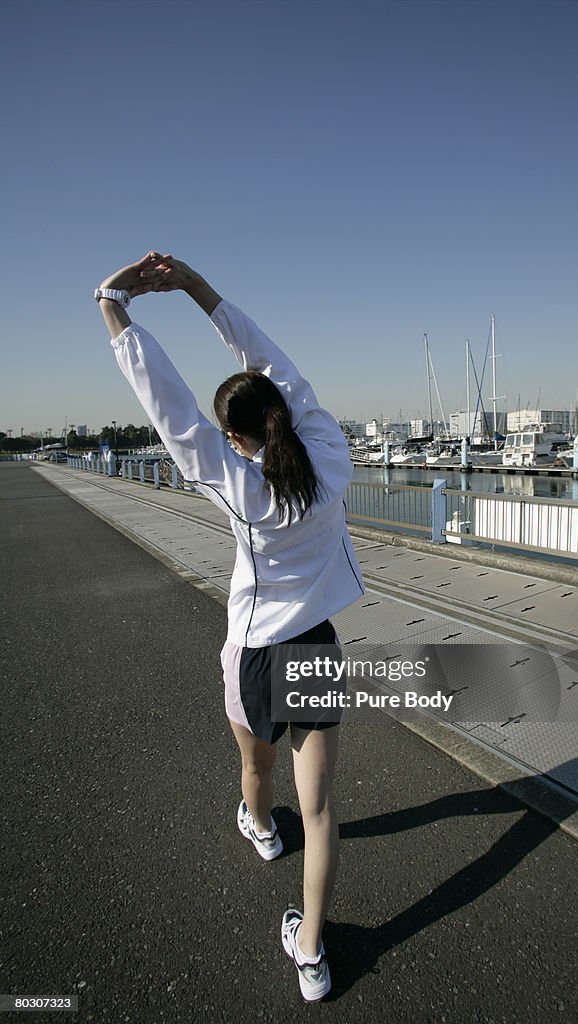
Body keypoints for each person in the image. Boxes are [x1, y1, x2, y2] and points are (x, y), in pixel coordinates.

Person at [95, 252, 365, 1002]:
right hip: (312, 646)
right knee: (321, 811)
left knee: (258, 774)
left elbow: (166, 401)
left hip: (253, 654)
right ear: (282, 412)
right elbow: (272, 362)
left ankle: (258, 829)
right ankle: (311, 955)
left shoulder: (234, 480)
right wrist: (196, 288)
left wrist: (114, 301)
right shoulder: (331, 461)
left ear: (237, 437)